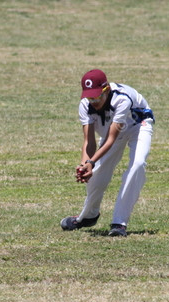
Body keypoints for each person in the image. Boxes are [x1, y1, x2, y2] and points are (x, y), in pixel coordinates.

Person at [60, 69, 154, 237]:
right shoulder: (85, 105)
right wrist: (84, 165)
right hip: (113, 128)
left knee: (137, 165)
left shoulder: (121, 99)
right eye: (90, 97)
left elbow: (111, 139)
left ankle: (119, 222)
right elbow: (89, 141)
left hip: (138, 125)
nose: (94, 101)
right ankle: (88, 216)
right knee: (96, 174)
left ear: (107, 90)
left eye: (97, 97)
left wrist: (91, 162)